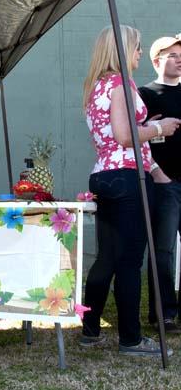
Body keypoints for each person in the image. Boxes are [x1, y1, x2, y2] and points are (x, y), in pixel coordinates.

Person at [81, 25, 179, 356]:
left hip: (104, 175)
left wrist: (155, 168)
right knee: (129, 260)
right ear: (122, 50)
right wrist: (157, 128)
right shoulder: (121, 85)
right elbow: (125, 136)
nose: (140, 53)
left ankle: (90, 329)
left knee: (107, 256)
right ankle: (131, 339)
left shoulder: (96, 87)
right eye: (137, 48)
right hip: (126, 179)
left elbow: (115, 137)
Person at [139, 34, 181, 333]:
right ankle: (163, 314)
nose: (179, 60)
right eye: (172, 55)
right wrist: (150, 128)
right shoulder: (145, 94)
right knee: (163, 251)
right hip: (164, 183)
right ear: (157, 61)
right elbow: (135, 138)